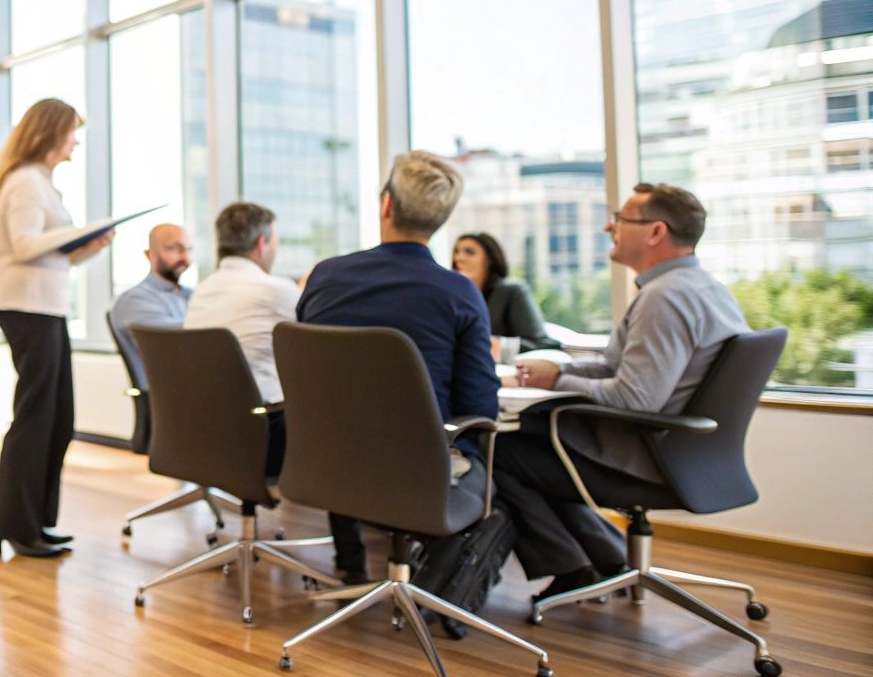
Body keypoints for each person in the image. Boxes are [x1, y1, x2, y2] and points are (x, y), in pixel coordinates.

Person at [495, 183, 748, 601]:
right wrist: (560, 370)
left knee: (500, 450)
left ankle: (573, 570)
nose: (608, 226)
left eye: (621, 219)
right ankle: (606, 560)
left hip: (650, 459)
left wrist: (557, 382)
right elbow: (620, 369)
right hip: (689, 455)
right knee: (531, 441)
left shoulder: (666, 298)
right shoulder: (703, 288)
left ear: (656, 232)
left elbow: (635, 399)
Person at [297, 151, 500, 583]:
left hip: (325, 465)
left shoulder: (324, 278)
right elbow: (480, 407)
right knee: (499, 477)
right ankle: (436, 589)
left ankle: (357, 566)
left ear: (386, 204)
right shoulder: (459, 293)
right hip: (418, 475)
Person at [0, 98, 113, 559]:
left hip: (46, 306)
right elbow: (24, 246)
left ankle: (37, 521)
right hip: (26, 307)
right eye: (71, 132)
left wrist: (89, 245)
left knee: (58, 418)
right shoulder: (24, 181)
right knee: (36, 417)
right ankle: (18, 528)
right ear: (52, 133)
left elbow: (53, 254)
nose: (75, 141)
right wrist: (79, 232)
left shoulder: (42, 183)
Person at [183, 204, 299, 409]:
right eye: (275, 242)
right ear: (261, 244)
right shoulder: (275, 289)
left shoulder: (201, 291)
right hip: (268, 416)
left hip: (208, 413)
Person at [452, 232, 560, 355]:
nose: (458, 258)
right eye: (456, 252)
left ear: (489, 259)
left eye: (469, 252)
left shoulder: (512, 291)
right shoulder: (453, 296)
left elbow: (542, 343)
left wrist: (495, 345)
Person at [109, 223, 193, 333]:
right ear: (150, 254)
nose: (185, 258)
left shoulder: (191, 294)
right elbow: (178, 338)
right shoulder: (134, 299)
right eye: (174, 248)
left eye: (188, 249)